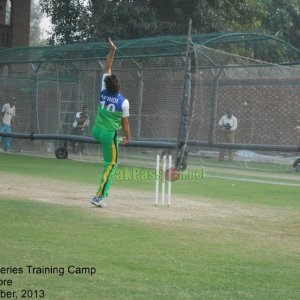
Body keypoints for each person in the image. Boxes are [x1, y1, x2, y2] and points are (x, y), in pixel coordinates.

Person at [91, 37, 131, 208]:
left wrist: (113, 50)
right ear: (119, 87)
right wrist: (127, 138)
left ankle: (100, 195)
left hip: (96, 130)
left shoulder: (103, 90)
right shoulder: (123, 102)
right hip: (108, 135)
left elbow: (107, 66)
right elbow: (125, 123)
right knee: (111, 164)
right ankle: (99, 197)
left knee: (110, 160)